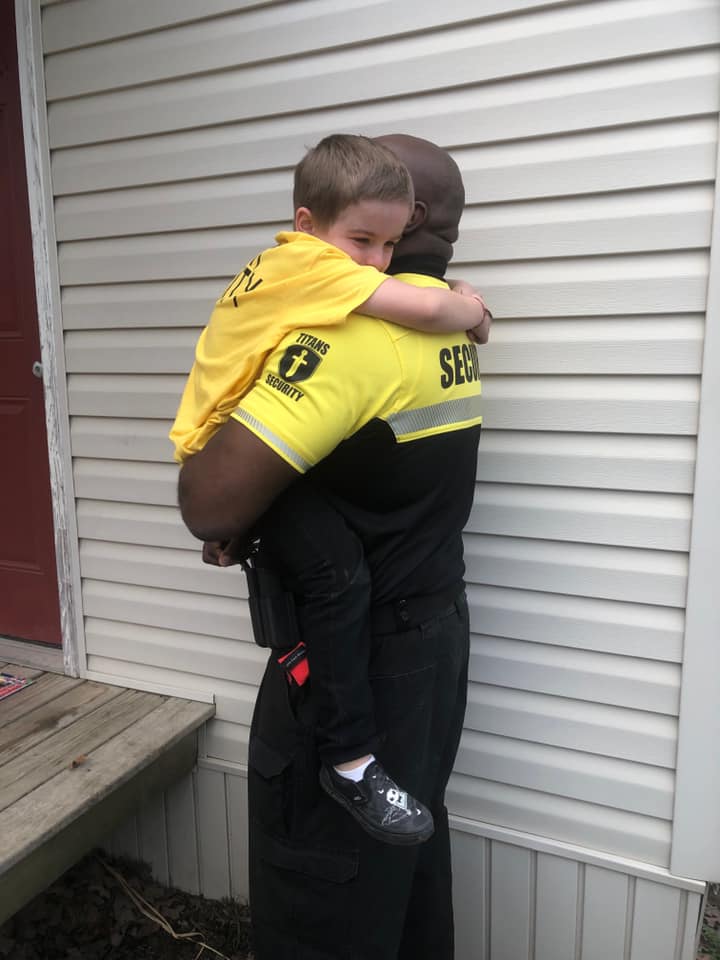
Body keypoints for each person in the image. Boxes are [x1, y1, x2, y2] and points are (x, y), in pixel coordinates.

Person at [178, 133, 488, 960]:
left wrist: (239, 513)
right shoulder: (453, 332)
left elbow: (208, 504)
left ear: (407, 218)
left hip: (353, 659)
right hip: (433, 643)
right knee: (402, 868)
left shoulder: (350, 334)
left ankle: (347, 765)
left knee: (321, 883)